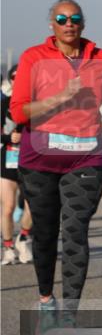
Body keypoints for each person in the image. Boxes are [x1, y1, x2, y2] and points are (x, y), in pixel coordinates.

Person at [9, 0, 102, 330]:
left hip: (86, 156)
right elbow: (19, 112)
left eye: (74, 18)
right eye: (61, 18)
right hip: (40, 159)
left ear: (83, 23)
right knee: (45, 233)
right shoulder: (34, 58)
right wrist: (61, 96)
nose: (68, 23)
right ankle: (47, 300)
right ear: (52, 25)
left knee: (75, 231)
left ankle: (70, 317)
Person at [2, 64, 34, 265]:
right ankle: (7, 247)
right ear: (11, 80)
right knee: (8, 207)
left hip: (30, 161)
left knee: (33, 205)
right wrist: (9, 137)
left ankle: (23, 237)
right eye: (15, 77)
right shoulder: (2, 103)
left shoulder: (37, 105)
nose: (18, 80)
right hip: (6, 160)